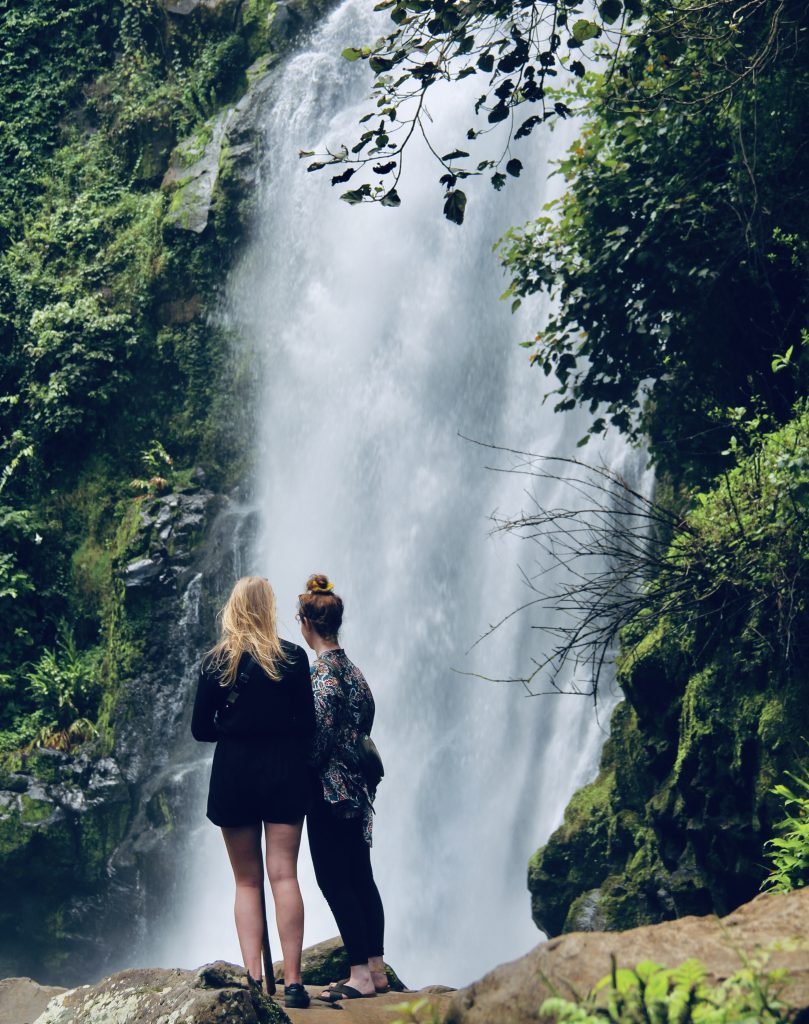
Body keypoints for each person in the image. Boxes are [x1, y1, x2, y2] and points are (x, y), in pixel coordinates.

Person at [191, 575, 313, 1010]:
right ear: (270, 609)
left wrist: (233, 725)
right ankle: (295, 983)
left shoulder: (216, 663)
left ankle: (255, 984)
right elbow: (308, 726)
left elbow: (200, 729)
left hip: (235, 774)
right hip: (283, 773)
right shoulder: (295, 659)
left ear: (234, 607)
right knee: (284, 875)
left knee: (246, 881)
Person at [297, 573, 388, 1002]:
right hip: (359, 791)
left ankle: (359, 976)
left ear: (306, 624)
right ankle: (376, 967)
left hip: (330, 793)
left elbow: (319, 742)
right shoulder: (355, 671)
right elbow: (363, 725)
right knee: (362, 877)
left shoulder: (323, 676)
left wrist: (298, 766)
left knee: (334, 880)